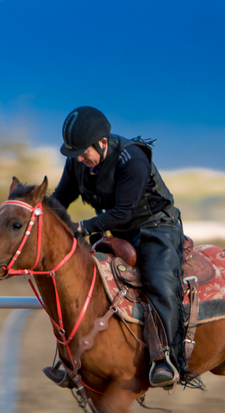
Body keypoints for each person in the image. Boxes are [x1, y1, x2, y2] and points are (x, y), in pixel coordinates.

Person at [44, 106, 190, 389]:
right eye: (74, 154)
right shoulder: (78, 162)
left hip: (156, 227)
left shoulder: (132, 159)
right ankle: (76, 357)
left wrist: (83, 228)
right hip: (118, 232)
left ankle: (165, 358)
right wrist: (34, 212)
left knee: (158, 280)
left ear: (102, 142)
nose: (80, 159)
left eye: (83, 152)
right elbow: (60, 199)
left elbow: (123, 212)